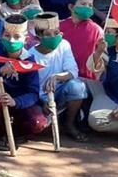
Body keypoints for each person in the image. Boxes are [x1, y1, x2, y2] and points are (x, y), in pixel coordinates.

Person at [0, 15, 48, 150]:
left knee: (38, 122)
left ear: (26, 39)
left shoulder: (29, 61)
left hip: (19, 103)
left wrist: (16, 102)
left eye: (17, 37)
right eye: (7, 36)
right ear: (1, 36)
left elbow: (33, 93)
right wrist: (0, 71)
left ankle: (16, 133)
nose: (11, 40)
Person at [30, 12, 89, 141]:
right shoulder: (30, 56)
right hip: (40, 97)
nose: (53, 37)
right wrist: (43, 101)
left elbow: (73, 72)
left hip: (61, 91)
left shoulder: (64, 45)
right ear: (39, 36)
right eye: (48, 34)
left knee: (78, 87)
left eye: (56, 33)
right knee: (36, 125)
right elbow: (30, 87)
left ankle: (69, 123)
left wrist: (56, 77)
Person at [60, 0, 104, 80]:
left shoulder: (97, 30)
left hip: (86, 79)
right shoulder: (60, 26)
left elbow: (101, 63)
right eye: (83, 4)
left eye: (90, 5)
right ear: (71, 7)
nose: (87, 8)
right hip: (63, 77)